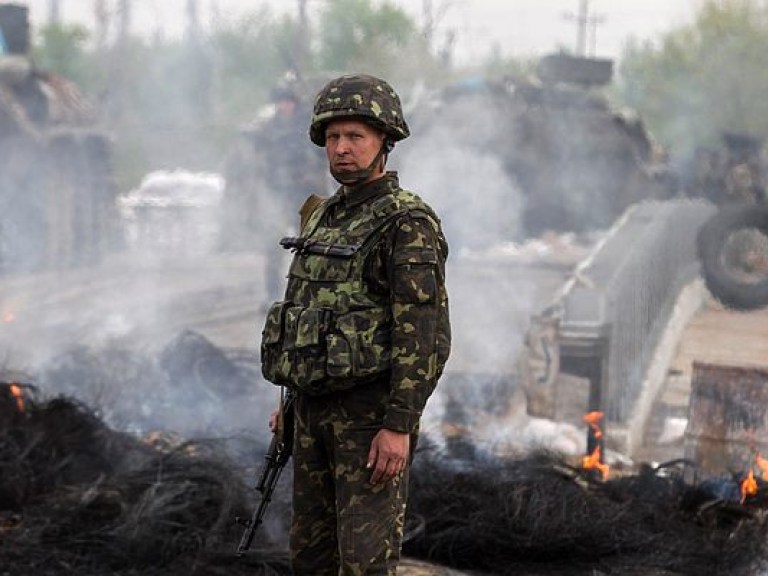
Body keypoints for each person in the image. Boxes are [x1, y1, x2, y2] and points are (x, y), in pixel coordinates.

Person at [260, 73, 451, 575]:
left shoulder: (406, 223)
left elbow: (424, 334)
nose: (341, 149)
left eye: (355, 137)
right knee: (310, 557)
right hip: (313, 413)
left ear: (384, 141)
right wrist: (291, 403)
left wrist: (398, 425)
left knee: (363, 563)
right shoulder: (320, 216)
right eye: (333, 138)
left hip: (368, 419)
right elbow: (305, 312)